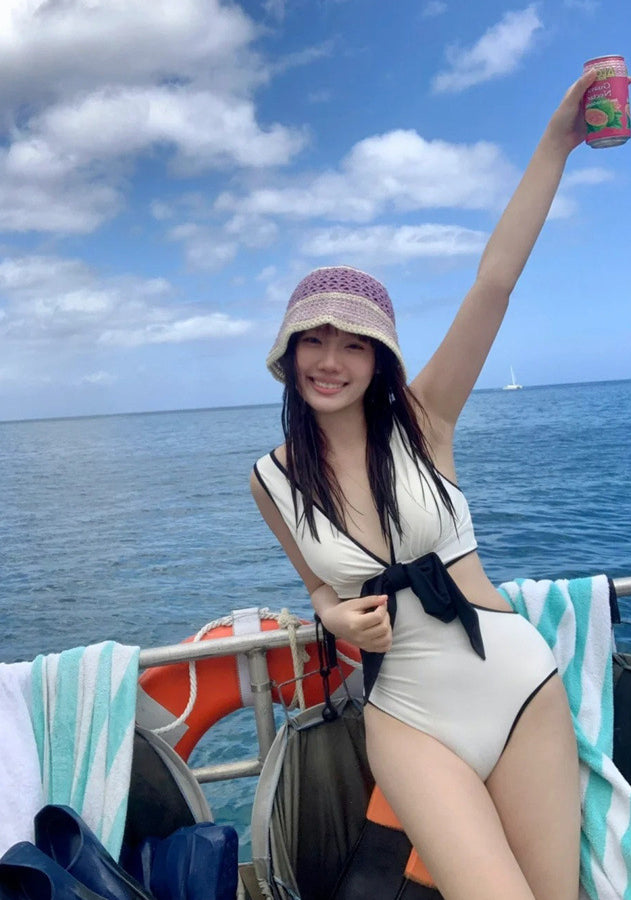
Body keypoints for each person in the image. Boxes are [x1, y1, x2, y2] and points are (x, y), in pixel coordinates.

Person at [250, 71, 599, 900]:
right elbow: (318, 589)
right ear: (289, 351)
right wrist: (334, 616)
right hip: (408, 717)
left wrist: (559, 141)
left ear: (379, 360)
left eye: (353, 344)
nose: (330, 361)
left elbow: (494, 283)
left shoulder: (424, 418)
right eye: (314, 340)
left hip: (515, 686)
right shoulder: (272, 480)